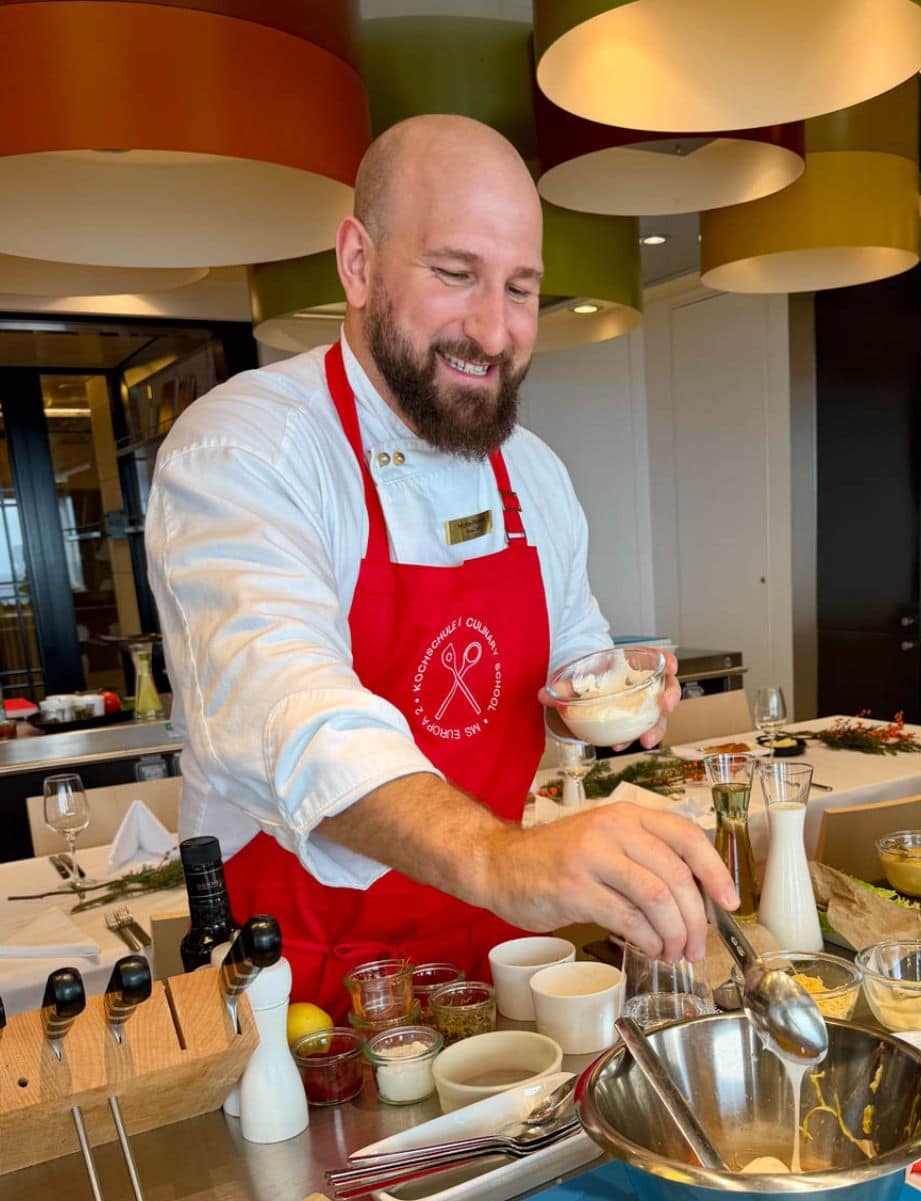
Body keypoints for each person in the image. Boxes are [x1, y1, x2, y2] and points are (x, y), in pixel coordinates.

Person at [146, 114, 736, 1014]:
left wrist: (609, 693)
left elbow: (568, 658)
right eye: (455, 274)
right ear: (358, 262)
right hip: (296, 974)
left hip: (493, 955)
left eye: (521, 289)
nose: (494, 332)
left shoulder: (531, 470)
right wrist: (504, 858)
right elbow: (286, 710)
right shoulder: (246, 447)